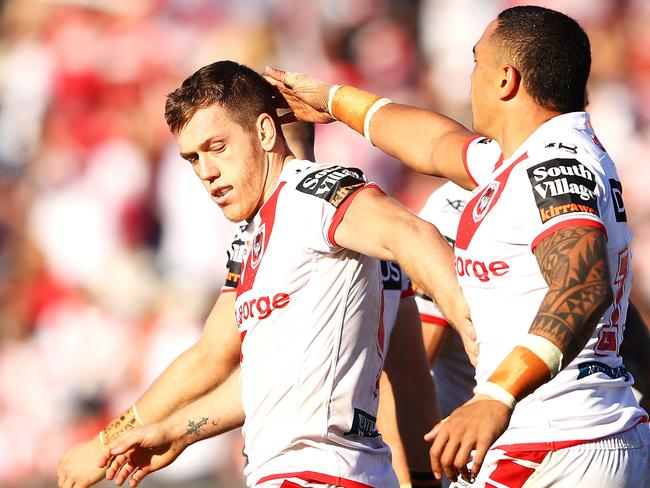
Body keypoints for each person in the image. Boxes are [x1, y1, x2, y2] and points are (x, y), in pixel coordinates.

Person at [265, 5, 650, 487]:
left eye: (476, 64)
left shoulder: (553, 165)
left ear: (505, 79)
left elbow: (584, 283)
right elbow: (433, 143)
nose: (471, 81)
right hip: (580, 438)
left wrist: (496, 396)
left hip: (555, 443)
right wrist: (332, 100)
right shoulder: (527, 161)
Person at [88, 59, 472, 488]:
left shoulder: (315, 195)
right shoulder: (258, 234)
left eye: (217, 148)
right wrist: (175, 430)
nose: (207, 173)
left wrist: (477, 338)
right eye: (193, 158)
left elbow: (413, 233)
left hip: (320, 473)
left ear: (266, 132)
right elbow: (268, 372)